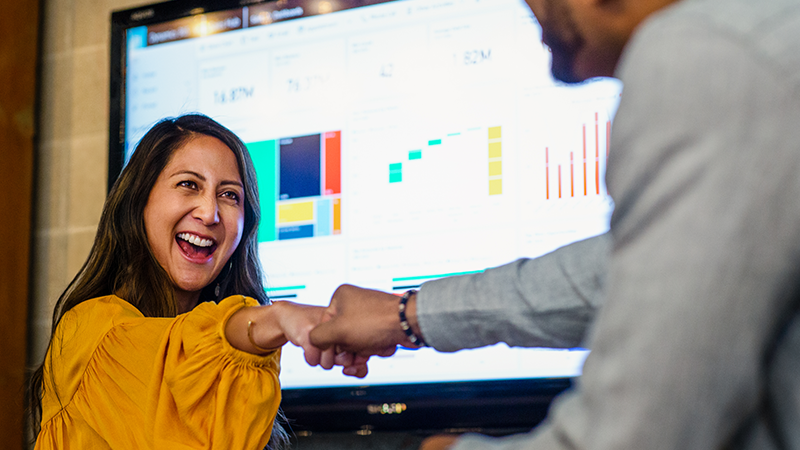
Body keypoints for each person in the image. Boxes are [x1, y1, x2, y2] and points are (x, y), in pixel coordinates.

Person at [310, 0, 800, 449]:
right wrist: (408, 314)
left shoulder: (706, 54)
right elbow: (631, 273)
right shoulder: (758, 36)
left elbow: (631, 435)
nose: (530, 11)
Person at [26, 114, 365, 449]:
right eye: (189, 184)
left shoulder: (234, 375)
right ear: (139, 201)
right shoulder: (88, 331)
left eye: (229, 195)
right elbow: (176, 351)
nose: (209, 213)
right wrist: (277, 318)